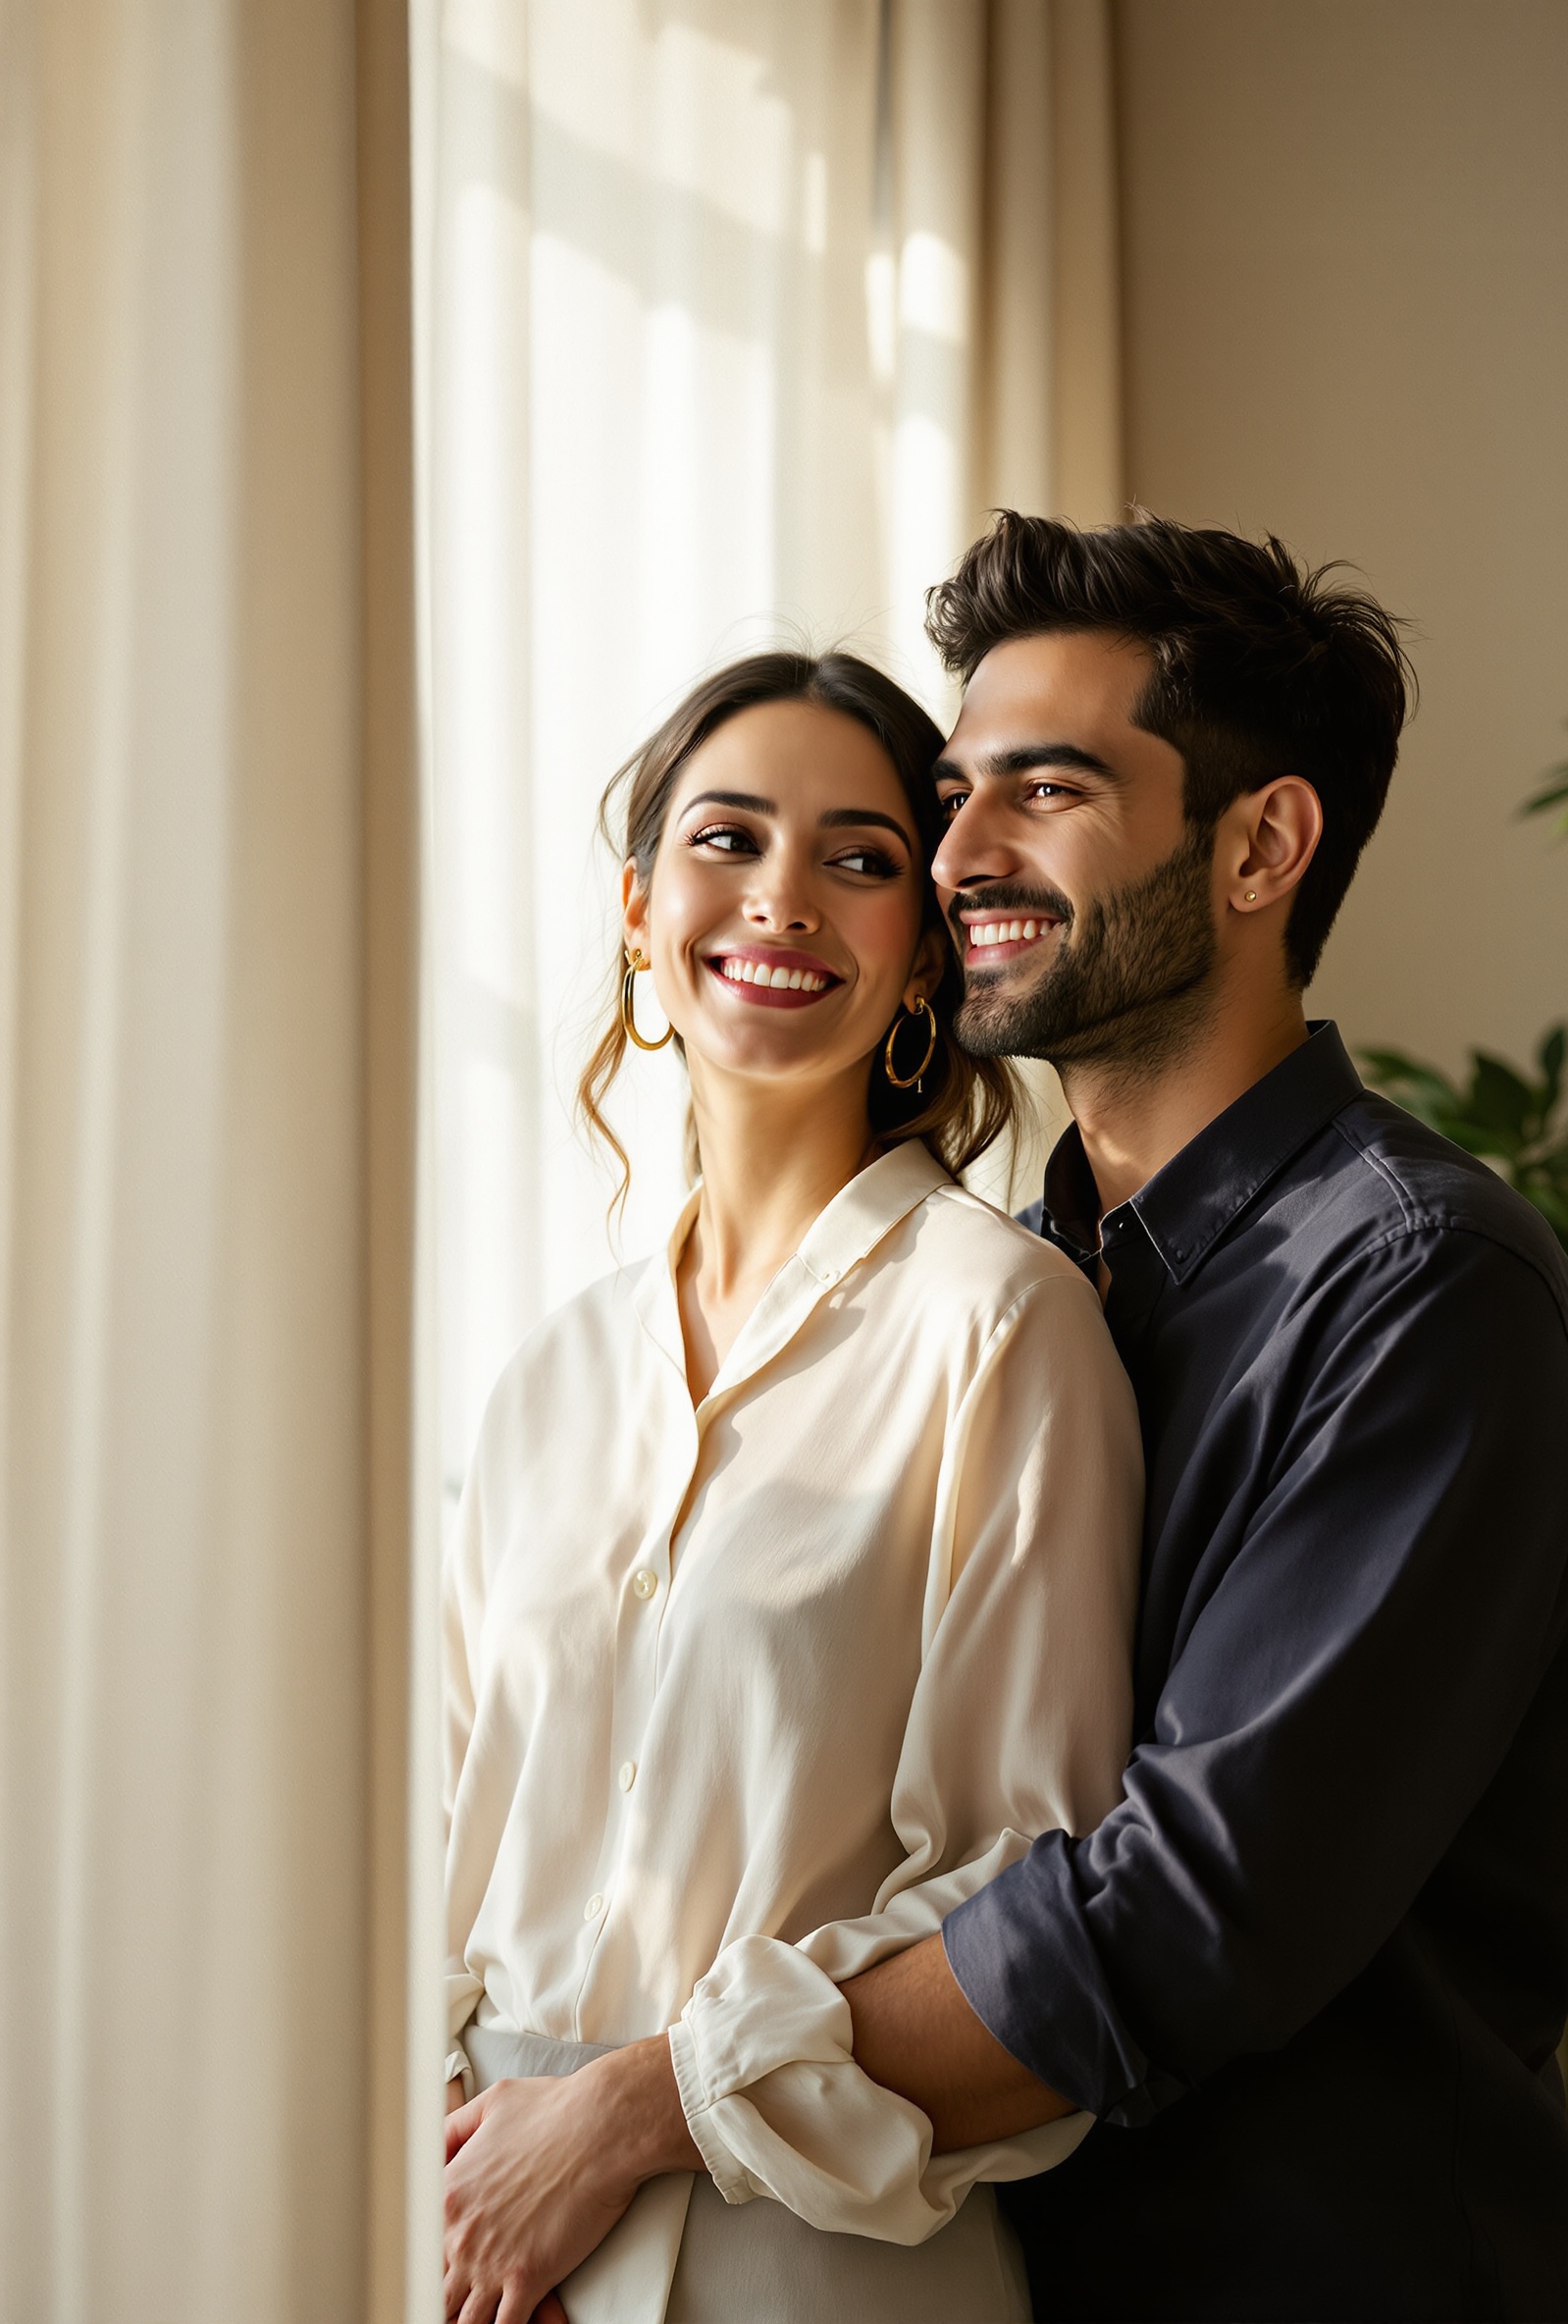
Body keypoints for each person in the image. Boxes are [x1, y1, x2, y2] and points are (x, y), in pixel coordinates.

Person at [453, 514, 1568, 2324]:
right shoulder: (1040, 1264)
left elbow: (1190, 1907)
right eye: (954, 793)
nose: (959, 851)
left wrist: (642, 2102)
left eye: (1046, 790)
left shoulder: (1422, 1291)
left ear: (1262, 843)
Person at [438, 650, 1143, 2324]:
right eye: (728, 838)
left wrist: (634, 2115)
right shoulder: (548, 1382)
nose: (783, 900)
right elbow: (443, 1832)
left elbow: (1020, 1889)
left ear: (921, 957)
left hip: (807, 2262)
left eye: (858, 857)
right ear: (637, 911)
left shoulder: (1004, 1328)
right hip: (477, 2247)